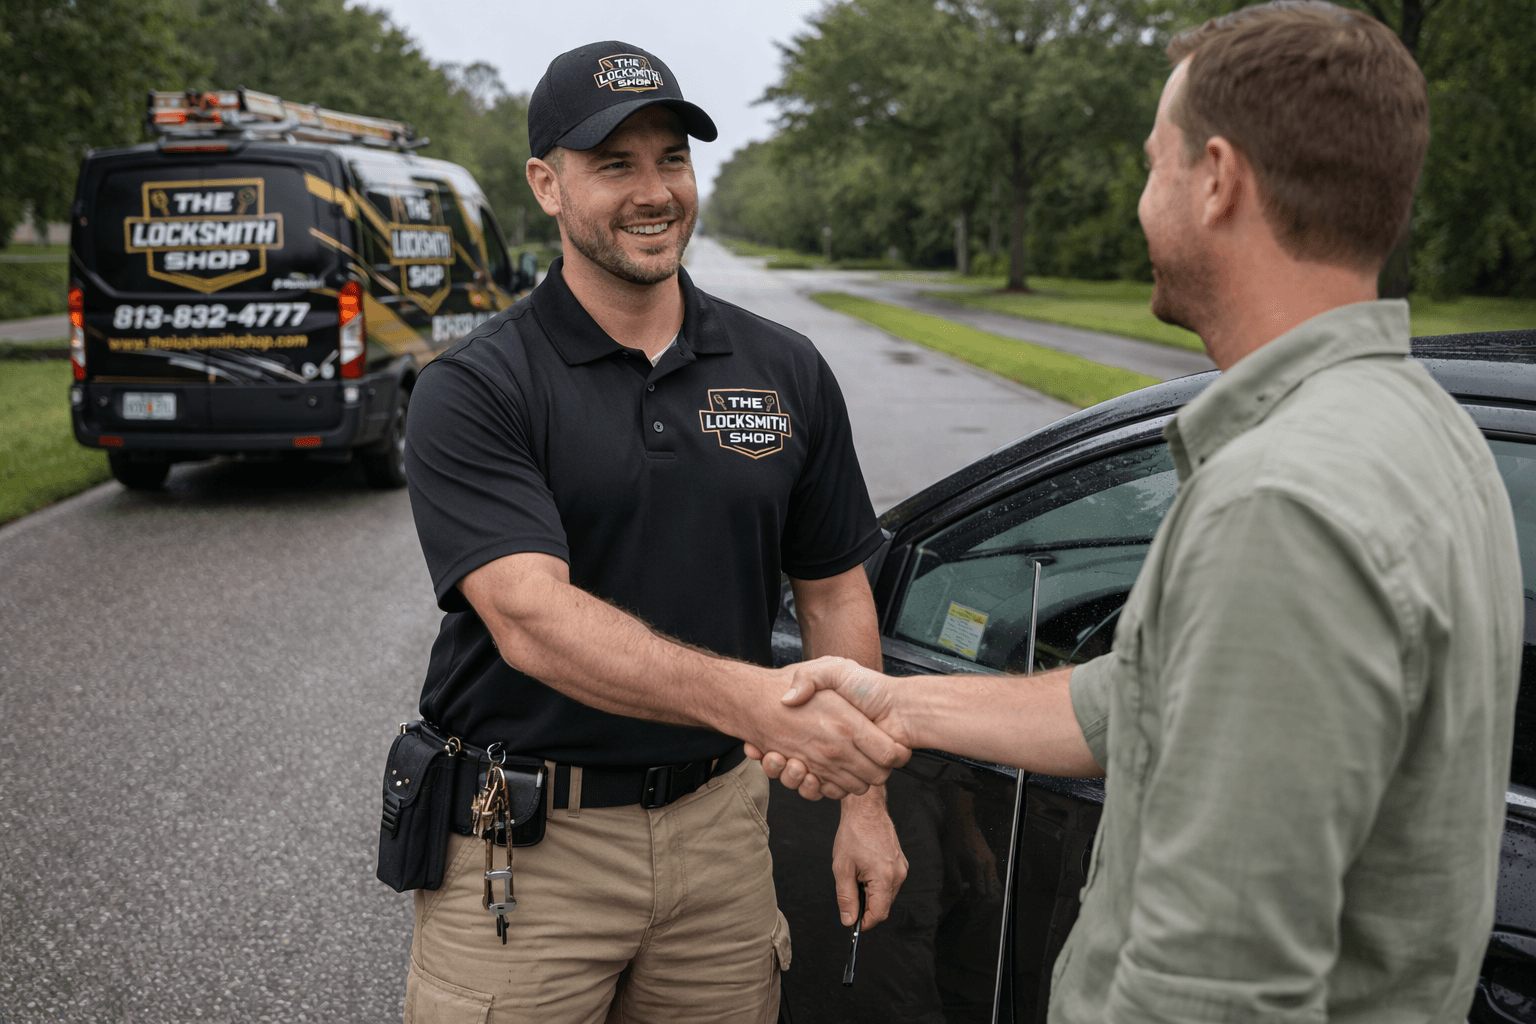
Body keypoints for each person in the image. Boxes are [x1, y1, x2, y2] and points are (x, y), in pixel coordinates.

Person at [750, 3, 1525, 1021]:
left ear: (1216, 179)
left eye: (1153, 165)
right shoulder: (1429, 432)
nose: (1143, 198)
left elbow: (1214, 982)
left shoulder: (1280, 505)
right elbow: (1152, 697)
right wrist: (893, 701)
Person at [399, 40, 909, 1024]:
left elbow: (835, 587)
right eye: (615, 163)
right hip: (529, 845)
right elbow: (532, 620)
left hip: (721, 830)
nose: (654, 191)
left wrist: (863, 801)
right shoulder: (477, 387)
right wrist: (757, 701)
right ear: (547, 184)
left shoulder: (785, 368)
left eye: (671, 157)